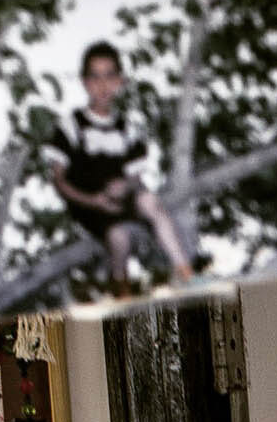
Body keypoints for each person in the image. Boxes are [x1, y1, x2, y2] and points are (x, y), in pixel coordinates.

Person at [45, 41, 194, 290]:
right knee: (119, 236)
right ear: (84, 82)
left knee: (150, 201)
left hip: (121, 196)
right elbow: (59, 180)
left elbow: (135, 177)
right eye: (95, 77)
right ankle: (121, 288)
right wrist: (93, 200)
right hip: (89, 203)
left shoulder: (127, 127)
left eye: (110, 76)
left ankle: (185, 272)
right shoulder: (71, 124)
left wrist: (125, 186)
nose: (103, 85)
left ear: (120, 82)